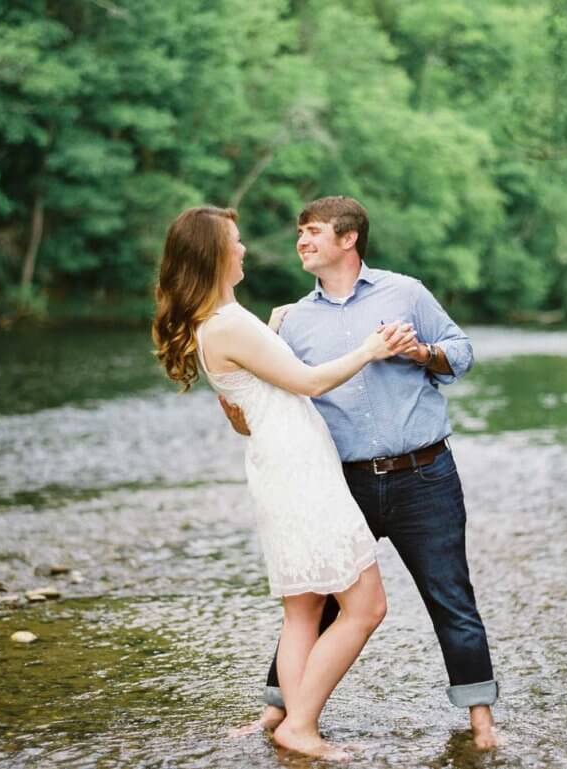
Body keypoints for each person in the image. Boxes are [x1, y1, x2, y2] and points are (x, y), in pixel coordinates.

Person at [222, 196, 500, 750]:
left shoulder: (407, 292)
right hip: (340, 483)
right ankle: (276, 714)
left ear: (349, 239)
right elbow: (266, 406)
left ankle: (482, 724)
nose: (301, 241)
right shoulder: (290, 321)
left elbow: (462, 352)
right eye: (300, 231)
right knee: (316, 599)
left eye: (314, 231)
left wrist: (420, 352)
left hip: (425, 475)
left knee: (451, 595)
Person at [151, 205, 419, 761]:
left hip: (278, 464)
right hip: (299, 469)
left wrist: (269, 328)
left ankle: (298, 728)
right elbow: (307, 381)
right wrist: (371, 349)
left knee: (303, 609)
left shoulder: (222, 320)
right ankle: (300, 726)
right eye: (237, 240)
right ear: (214, 254)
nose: (245, 248)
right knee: (366, 605)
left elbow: (258, 374)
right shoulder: (226, 325)